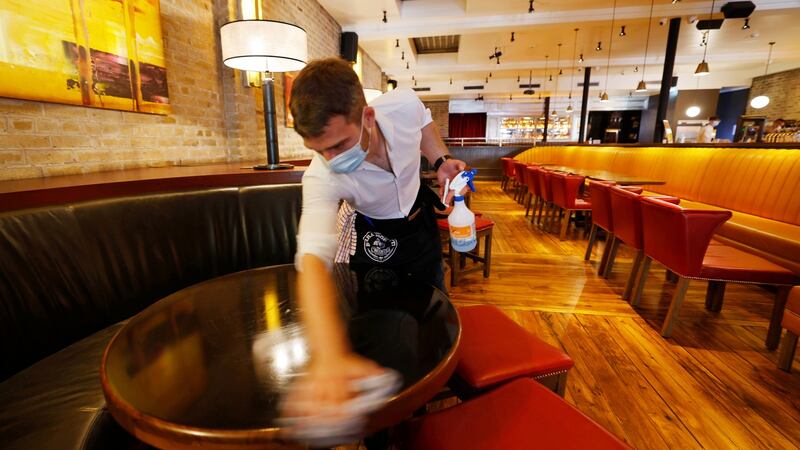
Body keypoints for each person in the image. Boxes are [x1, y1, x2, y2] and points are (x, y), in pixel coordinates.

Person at [285, 58, 467, 418]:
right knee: (383, 332)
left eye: (338, 145)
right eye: (318, 150)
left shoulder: (402, 104)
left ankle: (430, 400)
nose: (329, 159)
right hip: (376, 238)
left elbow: (424, 123)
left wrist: (440, 158)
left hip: (421, 222)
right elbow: (312, 259)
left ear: (367, 116)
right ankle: (387, 429)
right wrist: (329, 355)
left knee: (434, 311)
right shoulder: (322, 176)